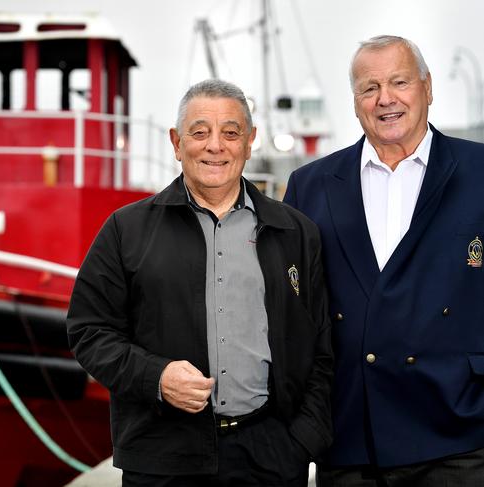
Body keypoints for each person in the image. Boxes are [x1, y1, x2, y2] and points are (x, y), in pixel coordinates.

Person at [67, 79, 333, 486]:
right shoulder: (126, 230)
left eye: (230, 132)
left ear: (249, 142)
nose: (215, 146)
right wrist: (155, 377)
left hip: (270, 462)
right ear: (176, 143)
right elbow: (88, 331)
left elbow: (322, 349)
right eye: (199, 132)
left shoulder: (296, 233)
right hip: (161, 461)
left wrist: (302, 441)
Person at [284, 35, 484, 486]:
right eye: (368, 88)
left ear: (428, 88)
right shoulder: (309, 186)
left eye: (399, 82)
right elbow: (293, 314)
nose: (385, 99)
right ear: (354, 101)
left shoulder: (480, 172)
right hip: (352, 438)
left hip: (460, 439)